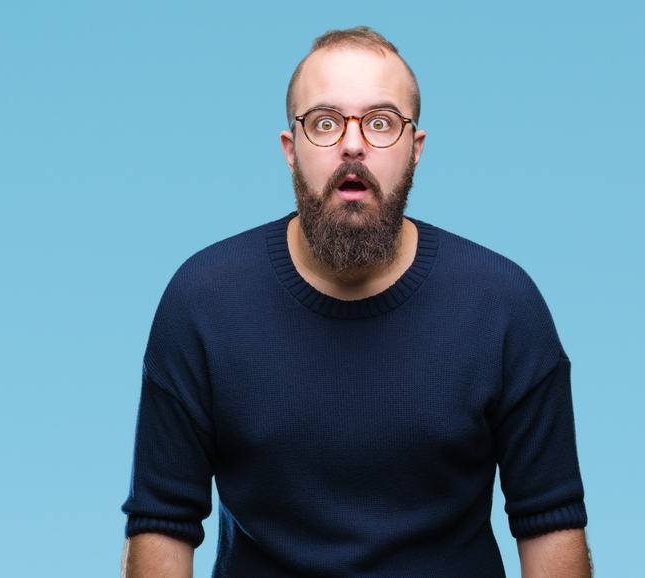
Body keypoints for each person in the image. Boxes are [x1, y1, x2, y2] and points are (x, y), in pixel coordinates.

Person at [120, 27, 591, 578]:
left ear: (415, 149)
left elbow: (549, 526)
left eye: (381, 122)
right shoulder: (202, 302)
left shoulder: (505, 306)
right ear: (289, 149)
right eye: (323, 122)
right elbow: (161, 523)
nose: (352, 144)